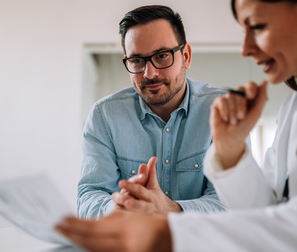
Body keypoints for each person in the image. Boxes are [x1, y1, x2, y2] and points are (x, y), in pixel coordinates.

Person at [57, 0, 297, 251]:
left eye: (257, 26)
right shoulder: (294, 105)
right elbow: (264, 212)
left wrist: (167, 228)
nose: (245, 48)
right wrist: (230, 150)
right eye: (137, 61)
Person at [77, 5, 229, 219]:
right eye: (137, 61)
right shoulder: (105, 116)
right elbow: (89, 197)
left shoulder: (222, 110)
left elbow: (232, 203)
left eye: (162, 56)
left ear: (186, 55)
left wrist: (170, 210)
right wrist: (121, 208)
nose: (150, 73)